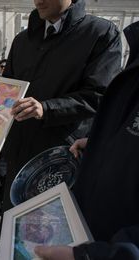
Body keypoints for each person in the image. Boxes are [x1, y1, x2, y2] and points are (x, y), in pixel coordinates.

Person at [0, 0, 122, 210]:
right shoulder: (22, 40)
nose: (38, 1)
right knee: (12, 216)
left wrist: (46, 109)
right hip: (19, 151)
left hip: (59, 156)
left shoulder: (100, 33)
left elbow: (99, 95)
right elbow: (7, 88)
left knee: (48, 226)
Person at [34, 20, 139, 260]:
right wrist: (102, 144)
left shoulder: (101, 34)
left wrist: (95, 255)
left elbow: (94, 96)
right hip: (84, 224)